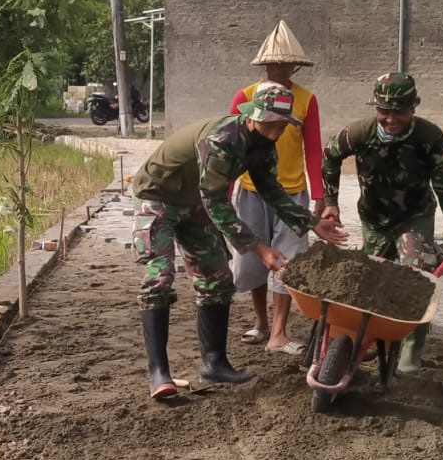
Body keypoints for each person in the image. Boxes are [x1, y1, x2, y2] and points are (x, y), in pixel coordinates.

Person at [131, 84, 347, 400]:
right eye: (270, 122)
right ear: (252, 116)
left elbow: (272, 190)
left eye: (281, 124)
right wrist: (259, 248)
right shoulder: (221, 139)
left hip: (196, 202)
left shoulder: (262, 144)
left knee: (217, 279)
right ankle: (159, 373)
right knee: (160, 277)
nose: (275, 131)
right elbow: (217, 203)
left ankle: (214, 363)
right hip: (159, 197)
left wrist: (313, 224)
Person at [320, 71, 443, 375]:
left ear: (413, 107)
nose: (391, 118)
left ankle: (411, 350)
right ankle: (368, 339)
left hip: (414, 216)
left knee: (417, 275)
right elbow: (329, 156)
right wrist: (330, 202)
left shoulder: (428, 139)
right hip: (375, 218)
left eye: (399, 111)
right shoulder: (359, 133)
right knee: (372, 277)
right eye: (384, 111)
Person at [230, 21, 324, 355]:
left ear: (295, 66)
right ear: (264, 64)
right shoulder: (246, 97)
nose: (279, 69)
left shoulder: (306, 100)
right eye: (273, 64)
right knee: (252, 259)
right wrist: (228, 196)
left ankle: (279, 332)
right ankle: (261, 322)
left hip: (291, 189)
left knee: (286, 260)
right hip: (250, 190)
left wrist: (319, 197)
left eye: (285, 65)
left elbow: (312, 149)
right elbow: (232, 152)